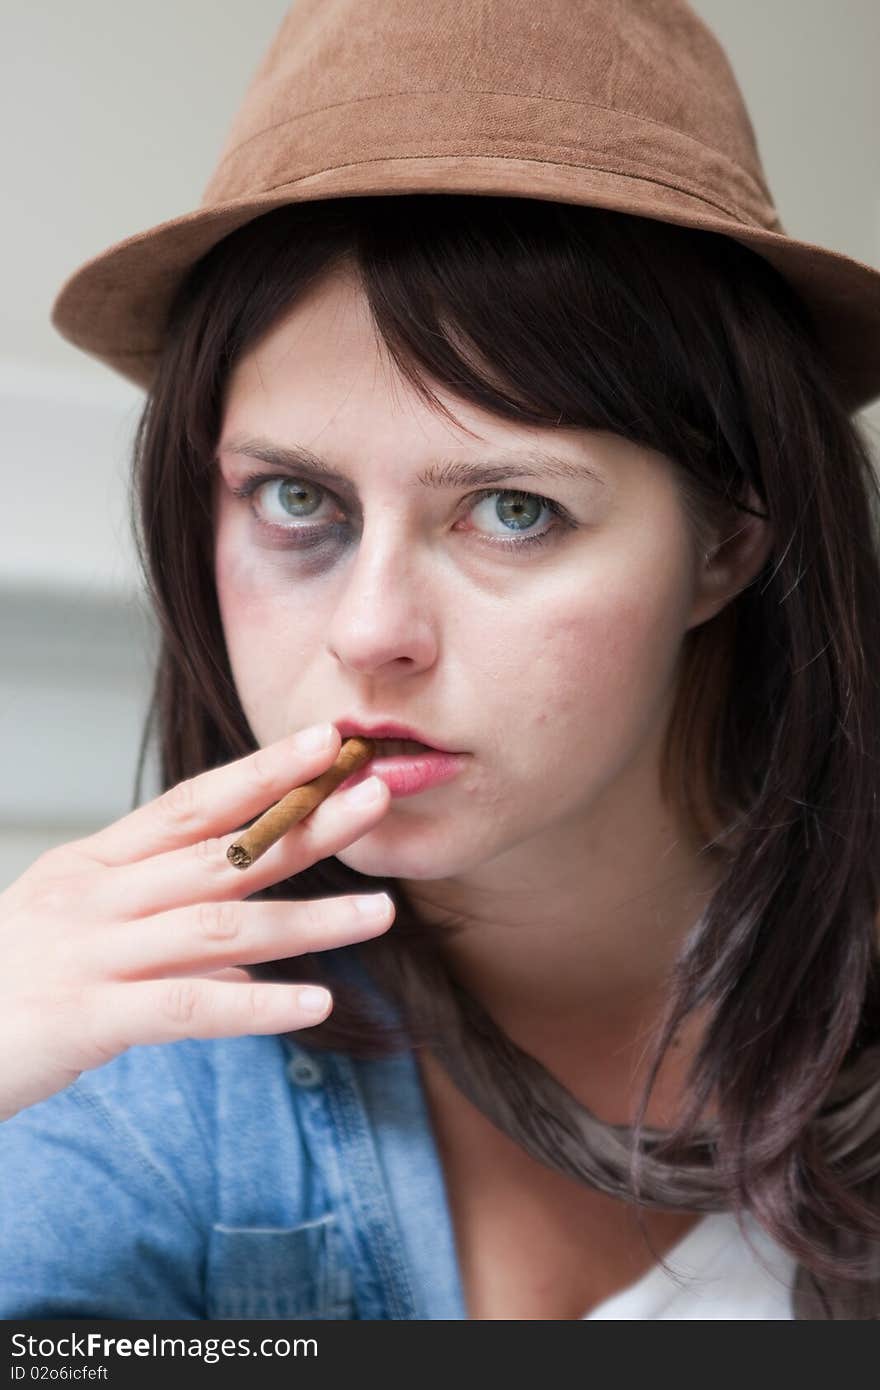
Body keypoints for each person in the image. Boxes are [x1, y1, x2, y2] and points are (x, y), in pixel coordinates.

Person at [1, 0, 879, 1321]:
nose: (369, 631)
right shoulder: (135, 1086)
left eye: (514, 509)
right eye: (297, 500)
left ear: (727, 542)